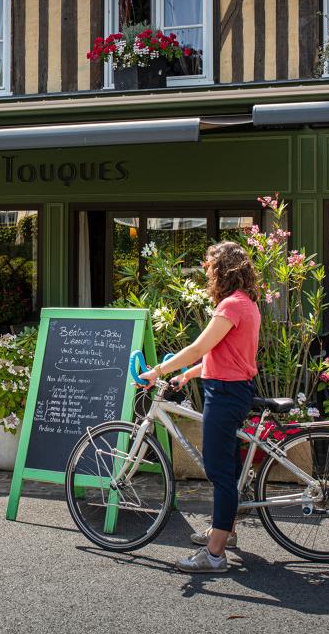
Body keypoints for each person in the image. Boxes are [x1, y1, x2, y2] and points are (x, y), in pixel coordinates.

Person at [139, 240, 261, 573]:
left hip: (224, 394)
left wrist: (158, 371)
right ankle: (226, 532)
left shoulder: (231, 306)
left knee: (219, 472)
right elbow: (223, 354)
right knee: (229, 470)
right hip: (232, 389)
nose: (207, 273)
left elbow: (197, 348)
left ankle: (215, 555)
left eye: (210, 267)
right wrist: (187, 375)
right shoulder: (246, 303)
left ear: (223, 270)